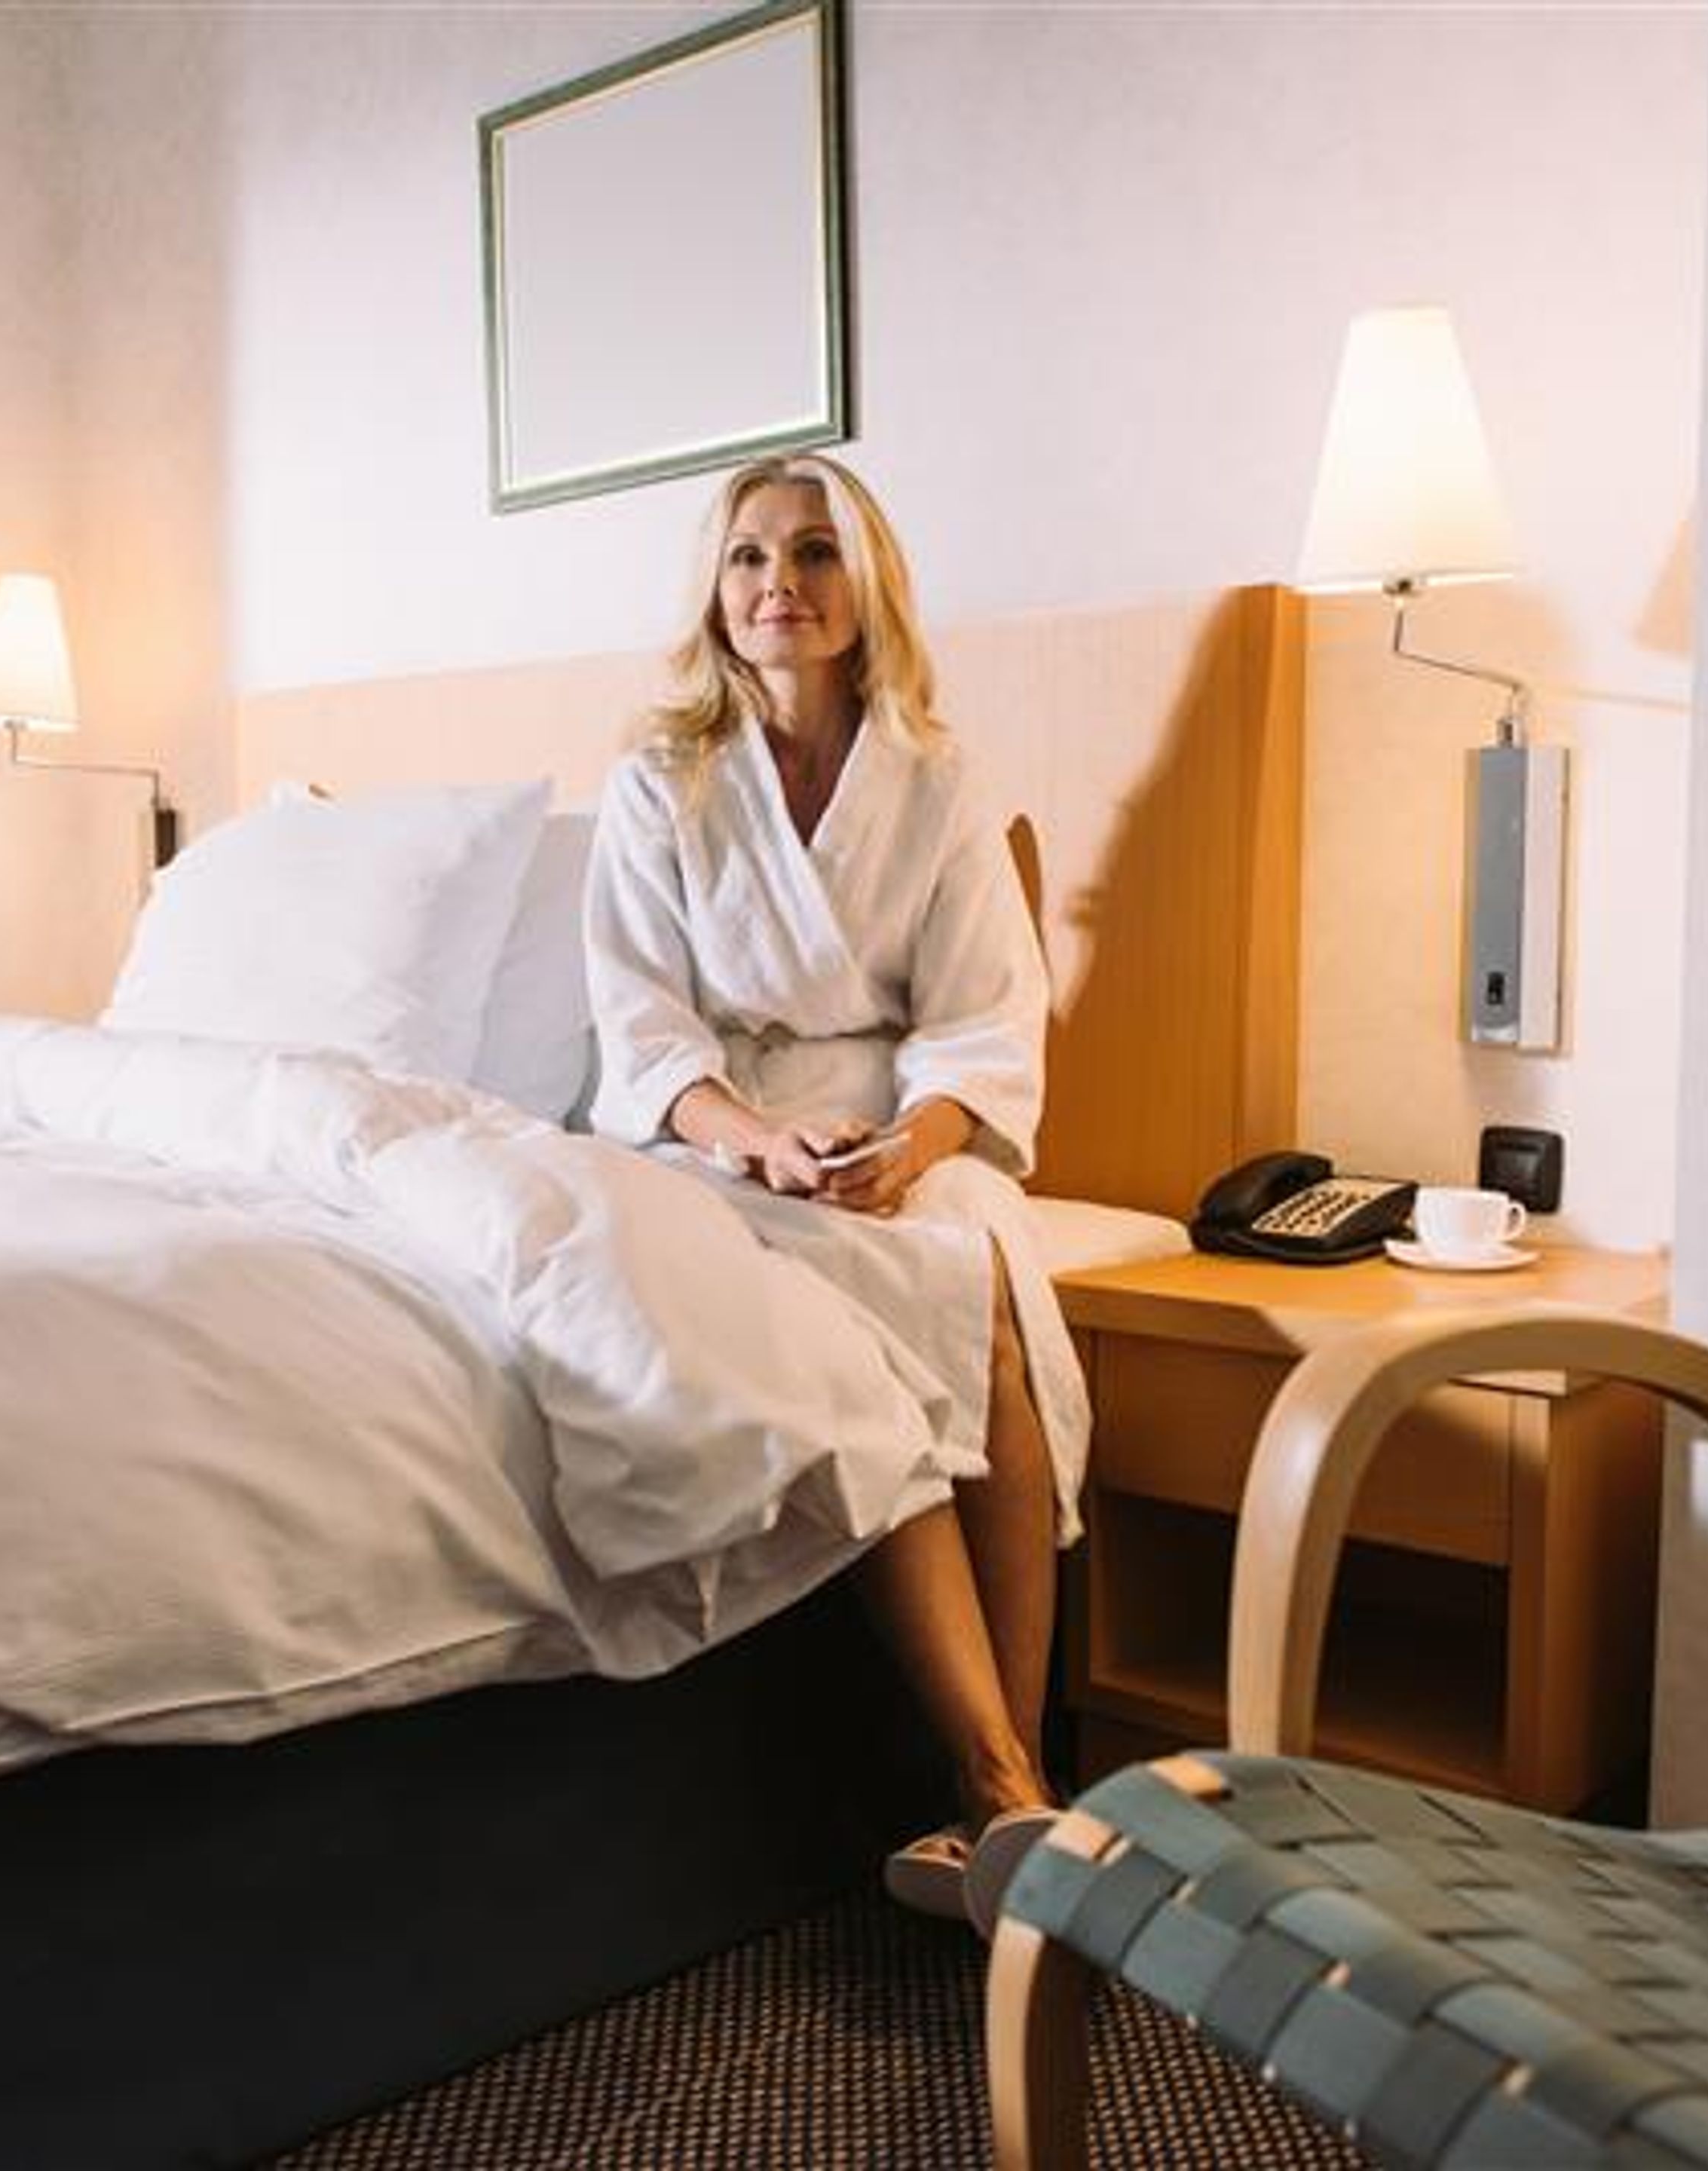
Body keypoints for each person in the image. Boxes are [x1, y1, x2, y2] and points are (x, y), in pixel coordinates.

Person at [583, 452, 1093, 1935]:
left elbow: (985, 1016)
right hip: (712, 1137)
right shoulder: (658, 780)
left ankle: (1026, 1784)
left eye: (813, 556)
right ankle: (1001, 1787)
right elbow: (641, 1027)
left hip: (902, 1126)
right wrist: (755, 1139)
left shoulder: (937, 778)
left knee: (986, 1290)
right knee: (856, 1327)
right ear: (714, 591)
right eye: (749, 559)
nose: (778, 588)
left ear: (865, 591)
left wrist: (918, 1147)